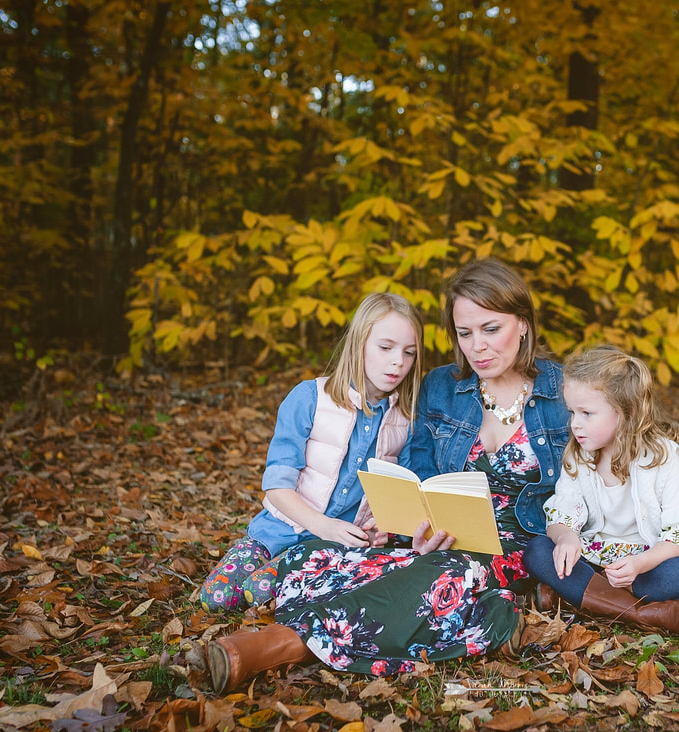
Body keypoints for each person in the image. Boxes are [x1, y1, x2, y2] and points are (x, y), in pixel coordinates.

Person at [206, 258, 570, 692]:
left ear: (524, 324)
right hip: (446, 534)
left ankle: (279, 645)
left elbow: (594, 481)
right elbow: (420, 474)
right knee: (318, 560)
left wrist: (571, 534)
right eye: (464, 333)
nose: (477, 347)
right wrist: (418, 525)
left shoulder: (562, 392)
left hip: (515, 542)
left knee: (445, 573)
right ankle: (492, 615)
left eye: (491, 329)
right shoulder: (441, 387)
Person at [200, 292, 423, 612]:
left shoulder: (405, 420)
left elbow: (398, 495)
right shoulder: (310, 398)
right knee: (217, 598)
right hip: (278, 531)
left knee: (260, 594)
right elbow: (277, 487)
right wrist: (323, 525)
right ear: (359, 343)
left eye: (409, 352)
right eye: (385, 347)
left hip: (334, 548)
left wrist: (380, 526)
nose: (398, 361)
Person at [522, 344, 679, 638]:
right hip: (594, 561)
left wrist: (639, 564)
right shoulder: (579, 455)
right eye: (572, 412)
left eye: (586, 413)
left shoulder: (663, 456)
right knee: (537, 551)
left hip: (645, 563)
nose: (575, 424)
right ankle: (644, 612)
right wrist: (567, 537)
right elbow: (563, 510)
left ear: (625, 412)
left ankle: (579, 598)